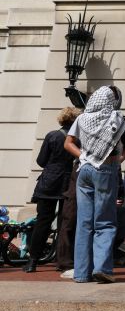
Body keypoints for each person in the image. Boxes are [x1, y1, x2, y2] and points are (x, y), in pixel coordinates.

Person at [64, 85, 125, 284]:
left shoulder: (82, 118)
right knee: (104, 221)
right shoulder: (116, 119)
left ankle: (81, 273)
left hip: (83, 170)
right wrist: (117, 161)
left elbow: (68, 143)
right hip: (105, 169)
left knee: (84, 222)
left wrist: (84, 156)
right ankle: (102, 268)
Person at [23, 107, 81, 273]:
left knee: (43, 222)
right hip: (68, 182)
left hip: (49, 181)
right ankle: (61, 261)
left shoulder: (52, 136)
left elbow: (41, 161)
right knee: (66, 222)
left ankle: (32, 262)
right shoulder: (77, 140)